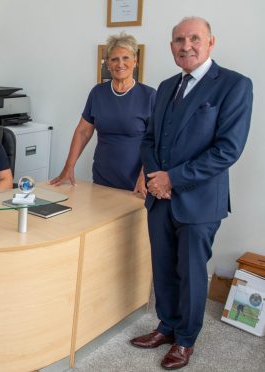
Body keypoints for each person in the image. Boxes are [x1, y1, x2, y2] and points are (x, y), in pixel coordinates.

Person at [131, 17, 252, 370]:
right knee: (164, 267)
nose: (187, 45)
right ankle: (166, 326)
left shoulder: (234, 85)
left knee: (192, 272)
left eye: (194, 38)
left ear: (210, 42)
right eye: (179, 40)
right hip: (159, 197)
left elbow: (227, 150)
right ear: (171, 47)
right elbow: (149, 139)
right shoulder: (166, 86)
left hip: (199, 201)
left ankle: (185, 340)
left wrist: (173, 179)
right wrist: (156, 179)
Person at [49, 32, 155, 197]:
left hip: (136, 184)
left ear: (135, 61)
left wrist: (145, 175)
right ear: (107, 64)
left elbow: (156, 141)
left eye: (126, 58)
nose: (120, 64)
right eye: (114, 59)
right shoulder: (98, 93)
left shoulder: (149, 95)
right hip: (102, 179)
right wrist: (68, 167)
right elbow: (83, 132)